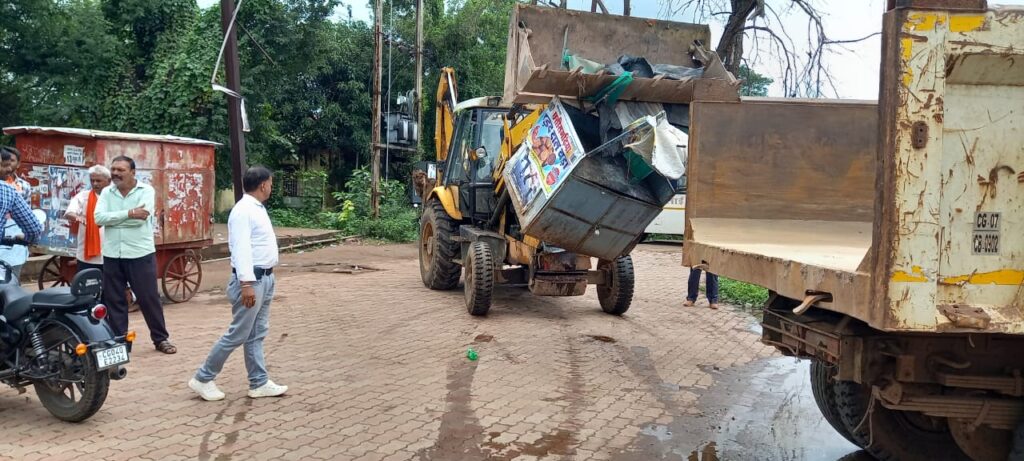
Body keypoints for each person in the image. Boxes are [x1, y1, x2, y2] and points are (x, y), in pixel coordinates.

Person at [190, 166, 287, 401]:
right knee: (238, 334)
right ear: (263, 184)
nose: (271, 188)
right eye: (271, 184)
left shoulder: (255, 208)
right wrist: (246, 284)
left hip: (264, 277)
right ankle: (203, 377)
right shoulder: (244, 210)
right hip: (251, 280)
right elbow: (241, 249)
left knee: (256, 333)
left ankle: (259, 382)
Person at [94, 155, 176, 354]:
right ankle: (120, 341)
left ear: (132, 172)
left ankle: (160, 339)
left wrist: (116, 219)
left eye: (120, 170)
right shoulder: (106, 192)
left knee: (148, 298)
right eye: (113, 169)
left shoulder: (146, 191)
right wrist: (129, 213)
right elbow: (98, 218)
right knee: (114, 300)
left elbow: (141, 219)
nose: (115, 174)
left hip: (140, 253)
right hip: (113, 253)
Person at [64, 165, 111, 273]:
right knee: (88, 287)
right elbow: (69, 212)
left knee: (109, 288)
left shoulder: (115, 197)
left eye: (98, 181)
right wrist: (78, 217)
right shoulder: (83, 196)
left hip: (110, 254)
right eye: (92, 180)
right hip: (86, 255)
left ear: (108, 181)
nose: (95, 184)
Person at [0, 148, 33, 279]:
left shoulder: (24, 186)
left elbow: (27, 213)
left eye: (11, 162)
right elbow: (33, 227)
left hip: (15, 236)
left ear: (18, 164)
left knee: (13, 277)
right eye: (4, 163)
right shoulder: (7, 189)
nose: (9, 167)